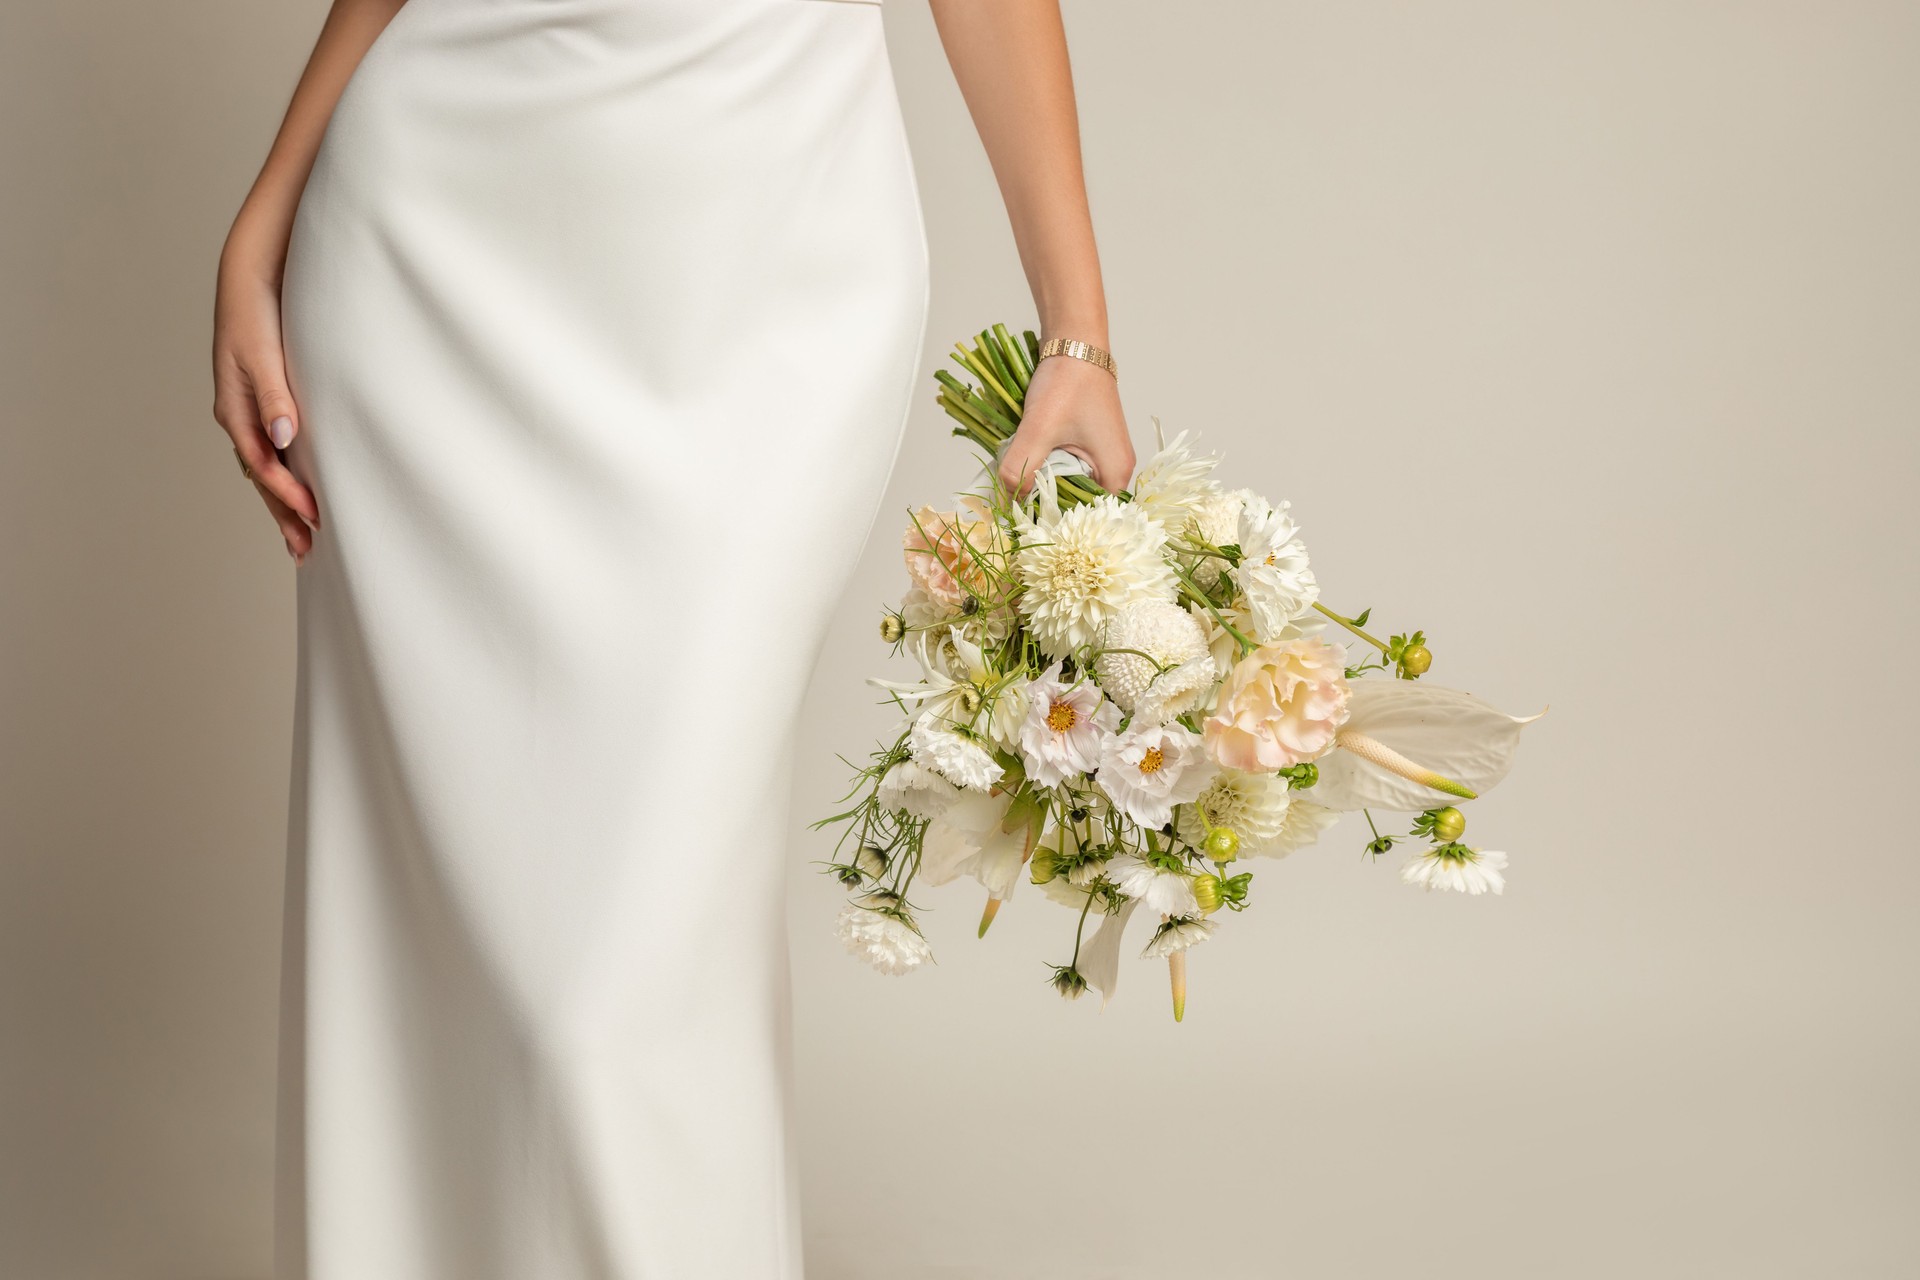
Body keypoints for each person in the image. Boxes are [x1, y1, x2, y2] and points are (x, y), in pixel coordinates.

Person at [211, 1, 1131, 1274]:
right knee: (433, 917)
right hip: (429, 227)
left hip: (763, 263)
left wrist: (1076, 327)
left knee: (630, 947)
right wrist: (273, 198)